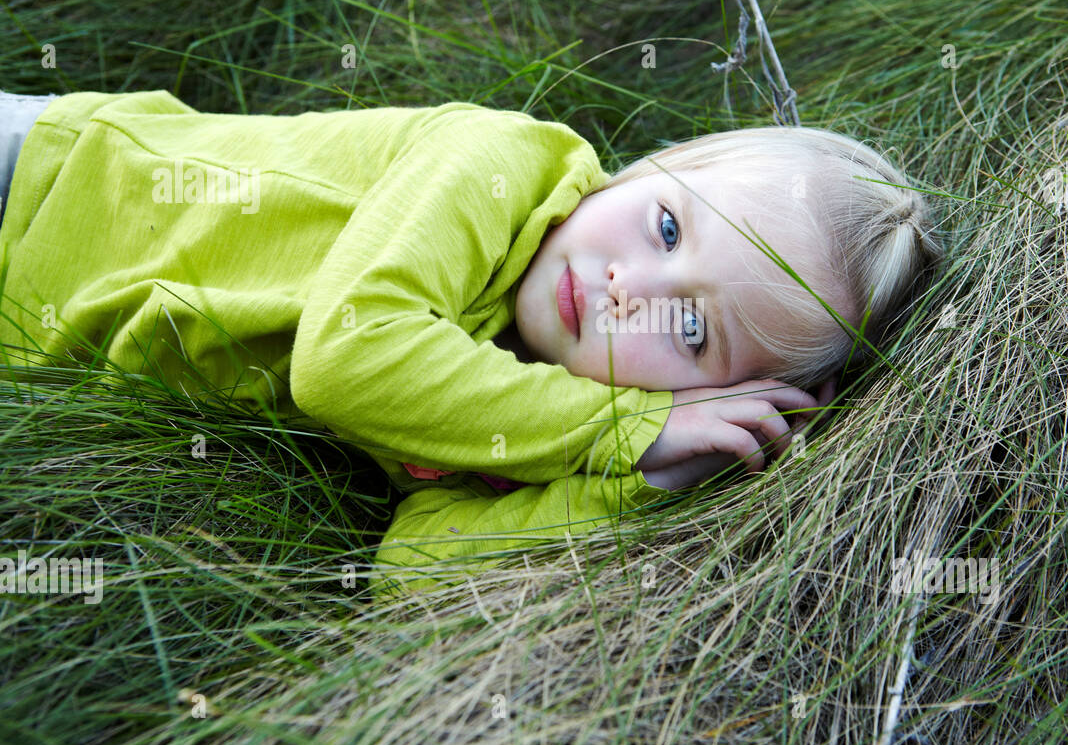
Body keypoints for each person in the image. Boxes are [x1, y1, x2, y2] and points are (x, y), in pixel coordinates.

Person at [0, 89, 943, 598]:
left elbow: (412, 570)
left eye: (691, 328)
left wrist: (642, 480)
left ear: (703, 398)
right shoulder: (497, 164)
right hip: (44, 191)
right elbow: (348, 359)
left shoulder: (532, 400)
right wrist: (618, 428)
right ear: (654, 169)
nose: (631, 289)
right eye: (665, 229)